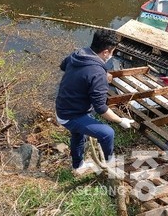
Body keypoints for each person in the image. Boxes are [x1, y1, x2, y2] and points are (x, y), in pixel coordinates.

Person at [55, 29, 135, 176]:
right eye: (112, 52)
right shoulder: (97, 73)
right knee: (107, 133)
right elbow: (100, 108)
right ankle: (110, 164)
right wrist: (120, 120)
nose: (112, 55)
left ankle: (77, 166)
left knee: (79, 135)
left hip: (64, 106)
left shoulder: (78, 54)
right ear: (105, 52)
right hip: (71, 114)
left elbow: (63, 66)